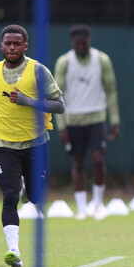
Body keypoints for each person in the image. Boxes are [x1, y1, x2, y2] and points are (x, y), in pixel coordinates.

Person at [0, 25, 65, 267]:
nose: (12, 47)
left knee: (35, 196)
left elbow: (60, 106)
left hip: (35, 143)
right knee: (9, 196)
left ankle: (29, 187)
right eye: (8, 43)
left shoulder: (38, 71)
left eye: (17, 43)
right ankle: (13, 251)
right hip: (2, 144)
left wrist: (29, 101)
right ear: (1, 45)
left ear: (25, 46)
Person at [54, 24, 120, 220]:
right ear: (72, 42)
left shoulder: (102, 60)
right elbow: (57, 95)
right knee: (78, 162)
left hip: (96, 117)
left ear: (89, 41)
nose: (81, 45)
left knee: (99, 160)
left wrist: (114, 119)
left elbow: (110, 90)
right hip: (73, 119)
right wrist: (62, 125)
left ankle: (98, 204)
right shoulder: (64, 62)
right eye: (77, 42)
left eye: (84, 41)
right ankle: (82, 208)